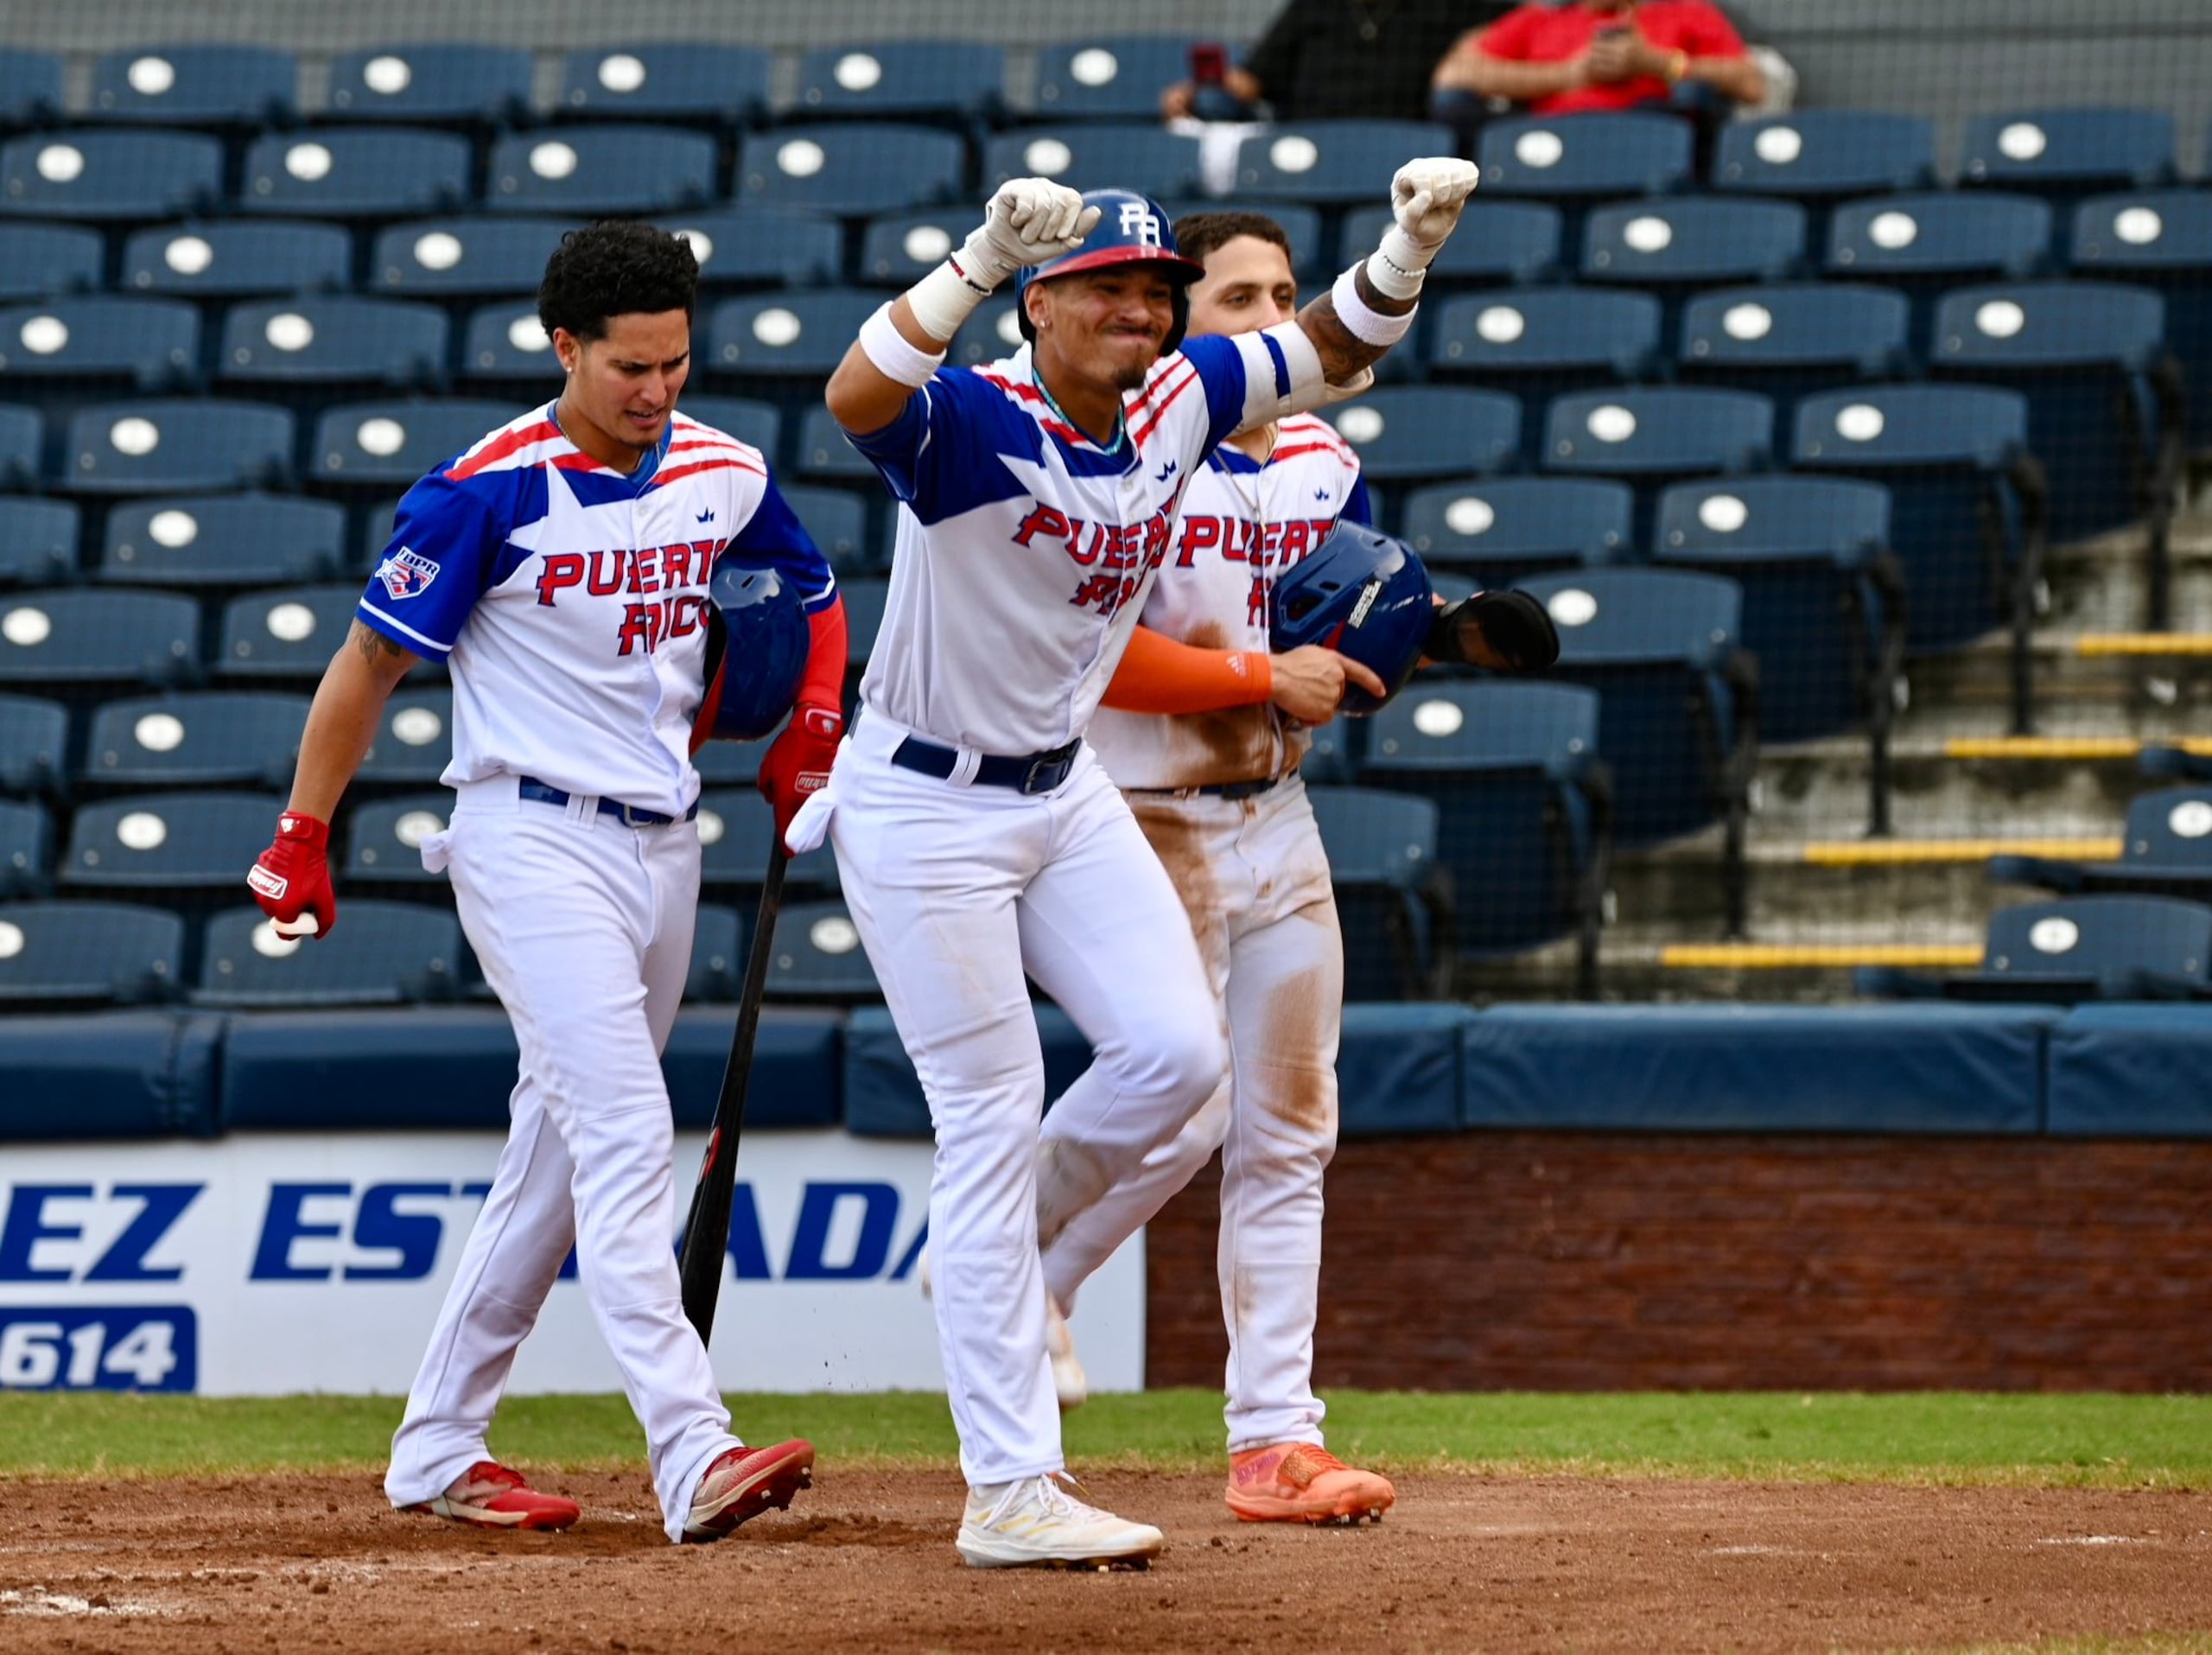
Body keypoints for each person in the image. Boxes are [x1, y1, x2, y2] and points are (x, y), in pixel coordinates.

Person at [817, 163, 1478, 1567]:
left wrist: (1412, 240)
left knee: (1181, 1068)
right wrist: (978, 258)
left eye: (1152, 292)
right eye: (1104, 289)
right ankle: (1009, 1487)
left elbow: (1339, 344)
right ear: (1045, 308)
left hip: (1060, 796)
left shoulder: (1182, 395)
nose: (1135, 310)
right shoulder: (978, 416)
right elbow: (857, 397)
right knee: (990, 1122)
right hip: (927, 804)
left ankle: (1016, 1266)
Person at [246, 220, 844, 1545]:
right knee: (627, 1128)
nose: (657, 390)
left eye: (677, 362)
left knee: (560, 1156)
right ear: (564, 345)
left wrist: (811, 726)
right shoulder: (485, 487)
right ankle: (694, 1451)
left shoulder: (726, 467)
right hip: (528, 837)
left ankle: (438, 1444)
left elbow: (812, 594)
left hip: (665, 842)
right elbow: (367, 664)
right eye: (631, 366)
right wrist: (304, 829)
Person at [1039, 208, 1396, 1525]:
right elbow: (1091, 657)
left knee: (1294, 1127)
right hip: (1140, 809)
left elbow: (1343, 618)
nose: (1269, 313)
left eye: (1286, 292)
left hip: (1277, 809)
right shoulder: (1128, 452)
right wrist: (1264, 673)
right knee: (1183, 1103)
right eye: (1238, 294)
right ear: (1183, 320)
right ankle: (1022, 1264)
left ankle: (1275, 1442)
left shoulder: (1321, 453)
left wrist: (1413, 642)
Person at [1160, 0, 1515, 124]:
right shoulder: (1314, 7)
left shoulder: (1449, 7)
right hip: (1311, 142)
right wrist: (1195, 91)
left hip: (1407, 153)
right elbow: (1252, 80)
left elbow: (1516, 30)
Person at [1433, 0, 1765, 117]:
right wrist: (1567, 76)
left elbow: (1752, 84)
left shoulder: (1685, 12)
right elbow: (1453, 74)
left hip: (1648, 150)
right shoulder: (1540, 18)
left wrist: (1655, 63)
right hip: (1548, 152)